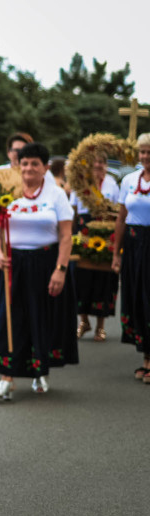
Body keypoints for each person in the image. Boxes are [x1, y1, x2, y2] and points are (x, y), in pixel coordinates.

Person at [0, 142, 77, 399]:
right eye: (24, 163)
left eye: (34, 163)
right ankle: (6, 377)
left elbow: (66, 235)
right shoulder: (7, 192)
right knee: (8, 320)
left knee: (41, 318)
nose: (28, 168)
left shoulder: (56, 195)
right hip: (11, 266)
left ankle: (40, 372)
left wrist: (60, 269)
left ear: (45, 167)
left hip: (45, 263)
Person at [0, 132, 43, 368]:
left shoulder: (39, 177)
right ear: (9, 152)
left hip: (26, 249)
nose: (18, 154)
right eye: (15, 150)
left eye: (23, 150)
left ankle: (28, 350)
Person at [112, 133, 150, 382]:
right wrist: (116, 252)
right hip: (134, 244)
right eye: (142, 152)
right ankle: (146, 356)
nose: (145, 157)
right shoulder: (128, 180)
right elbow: (121, 218)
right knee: (137, 297)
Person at [70, 152, 120, 342]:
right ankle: (83, 321)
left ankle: (100, 327)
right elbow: (73, 211)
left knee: (103, 278)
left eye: (101, 162)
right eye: (95, 162)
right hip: (84, 231)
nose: (98, 165)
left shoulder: (112, 184)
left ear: (106, 165)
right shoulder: (80, 182)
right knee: (80, 277)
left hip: (106, 232)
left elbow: (117, 211)